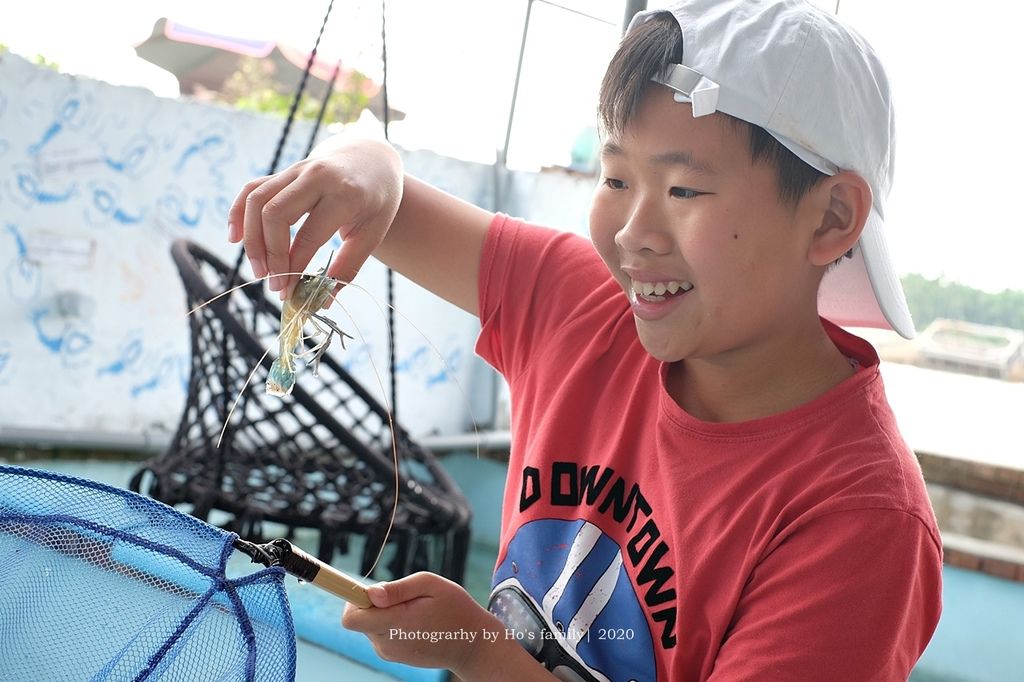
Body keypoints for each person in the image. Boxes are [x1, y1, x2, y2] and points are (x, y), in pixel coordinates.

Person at [229, 0, 943, 679]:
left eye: (684, 191)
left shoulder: (861, 519)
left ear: (830, 219)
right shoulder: (587, 309)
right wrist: (368, 170)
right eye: (616, 177)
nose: (634, 233)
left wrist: (480, 652)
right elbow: (374, 174)